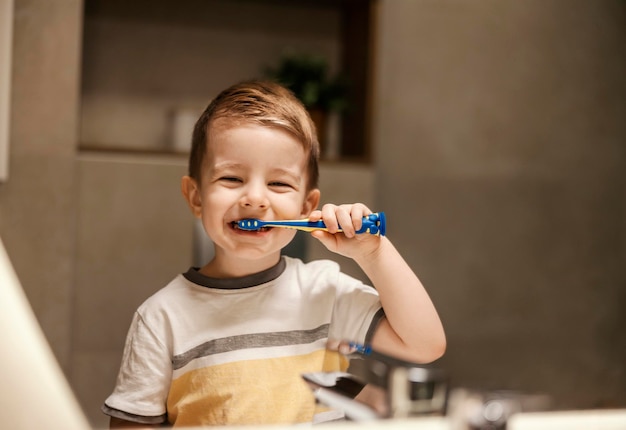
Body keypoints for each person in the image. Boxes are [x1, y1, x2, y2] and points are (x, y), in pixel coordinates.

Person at [102, 80, 445, 428]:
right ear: (196, 197)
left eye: (279, 183)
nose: (255, 198)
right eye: (232, 178)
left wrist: (373, 253)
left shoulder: (324, 292)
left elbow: (425, 345)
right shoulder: (162, 318)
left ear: (307, 205)